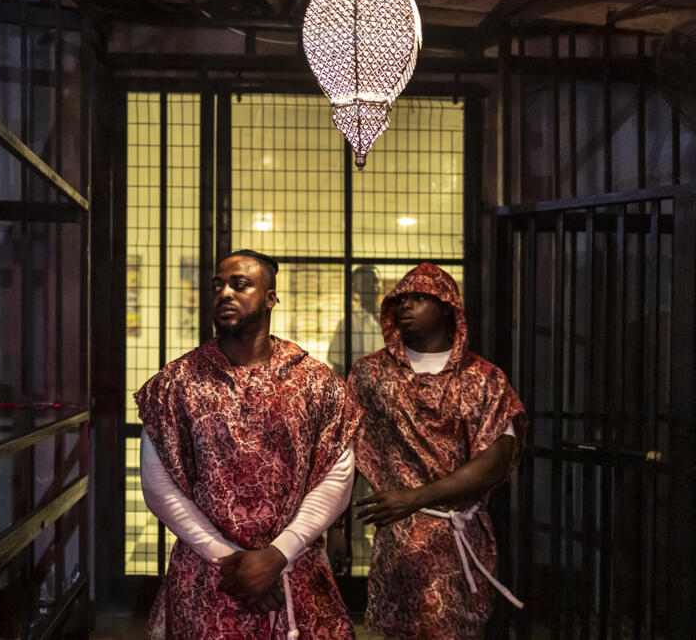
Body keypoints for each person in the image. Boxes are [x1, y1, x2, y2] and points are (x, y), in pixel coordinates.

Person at [136, 249, 360, 639]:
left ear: (271, 297)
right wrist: (231, 561)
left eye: (239, 285)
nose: (224, 293)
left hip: (294, 572)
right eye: (217, 286)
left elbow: (336, 476)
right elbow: (158, 484)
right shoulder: (176, 384)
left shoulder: (316, 383)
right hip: (209, 576)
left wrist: (277, 555)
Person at [345, 262, 527, 639]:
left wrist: (415, 497)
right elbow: (344, 449)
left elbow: (495, 461)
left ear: (446, 306)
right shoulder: (370, 376)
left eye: (418, 298)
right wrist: (336, 527)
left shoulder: (483, 379)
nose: (405, 306)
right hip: (396, 539)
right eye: (400, 299)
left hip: (457, 530)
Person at [328, 265, 384, 377]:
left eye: (375, 280)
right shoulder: (348, 324)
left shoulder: (393, 319)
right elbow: (338, 366)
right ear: (355, 288)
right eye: (365, 283)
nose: (373, 286)